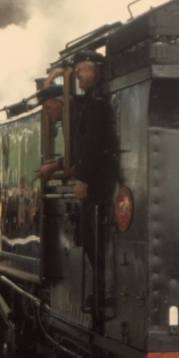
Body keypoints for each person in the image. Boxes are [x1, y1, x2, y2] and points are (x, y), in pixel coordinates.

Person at [71, 51, 116, 289]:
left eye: (81, 70)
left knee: (91, 237)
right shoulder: (92, 99)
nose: (77, 75)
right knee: (89, 237)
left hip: (97, 184)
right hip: (95, 179)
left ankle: (102, 288)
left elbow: (93, 142)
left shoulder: (97, 103)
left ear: (95, 70)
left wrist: (84, 179)